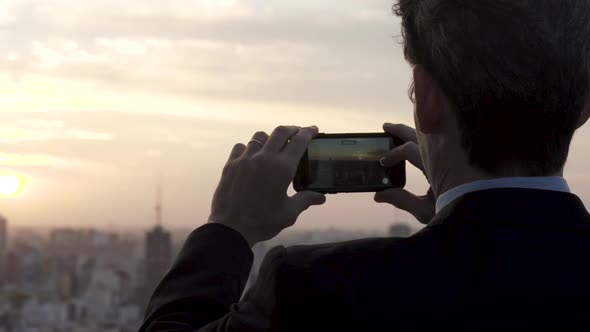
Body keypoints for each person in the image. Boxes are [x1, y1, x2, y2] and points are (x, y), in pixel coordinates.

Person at [140, 0, 590, 330]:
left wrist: (228, 229)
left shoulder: (315, 289)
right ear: (584, 106)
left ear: (427, 99)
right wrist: (482, 236)